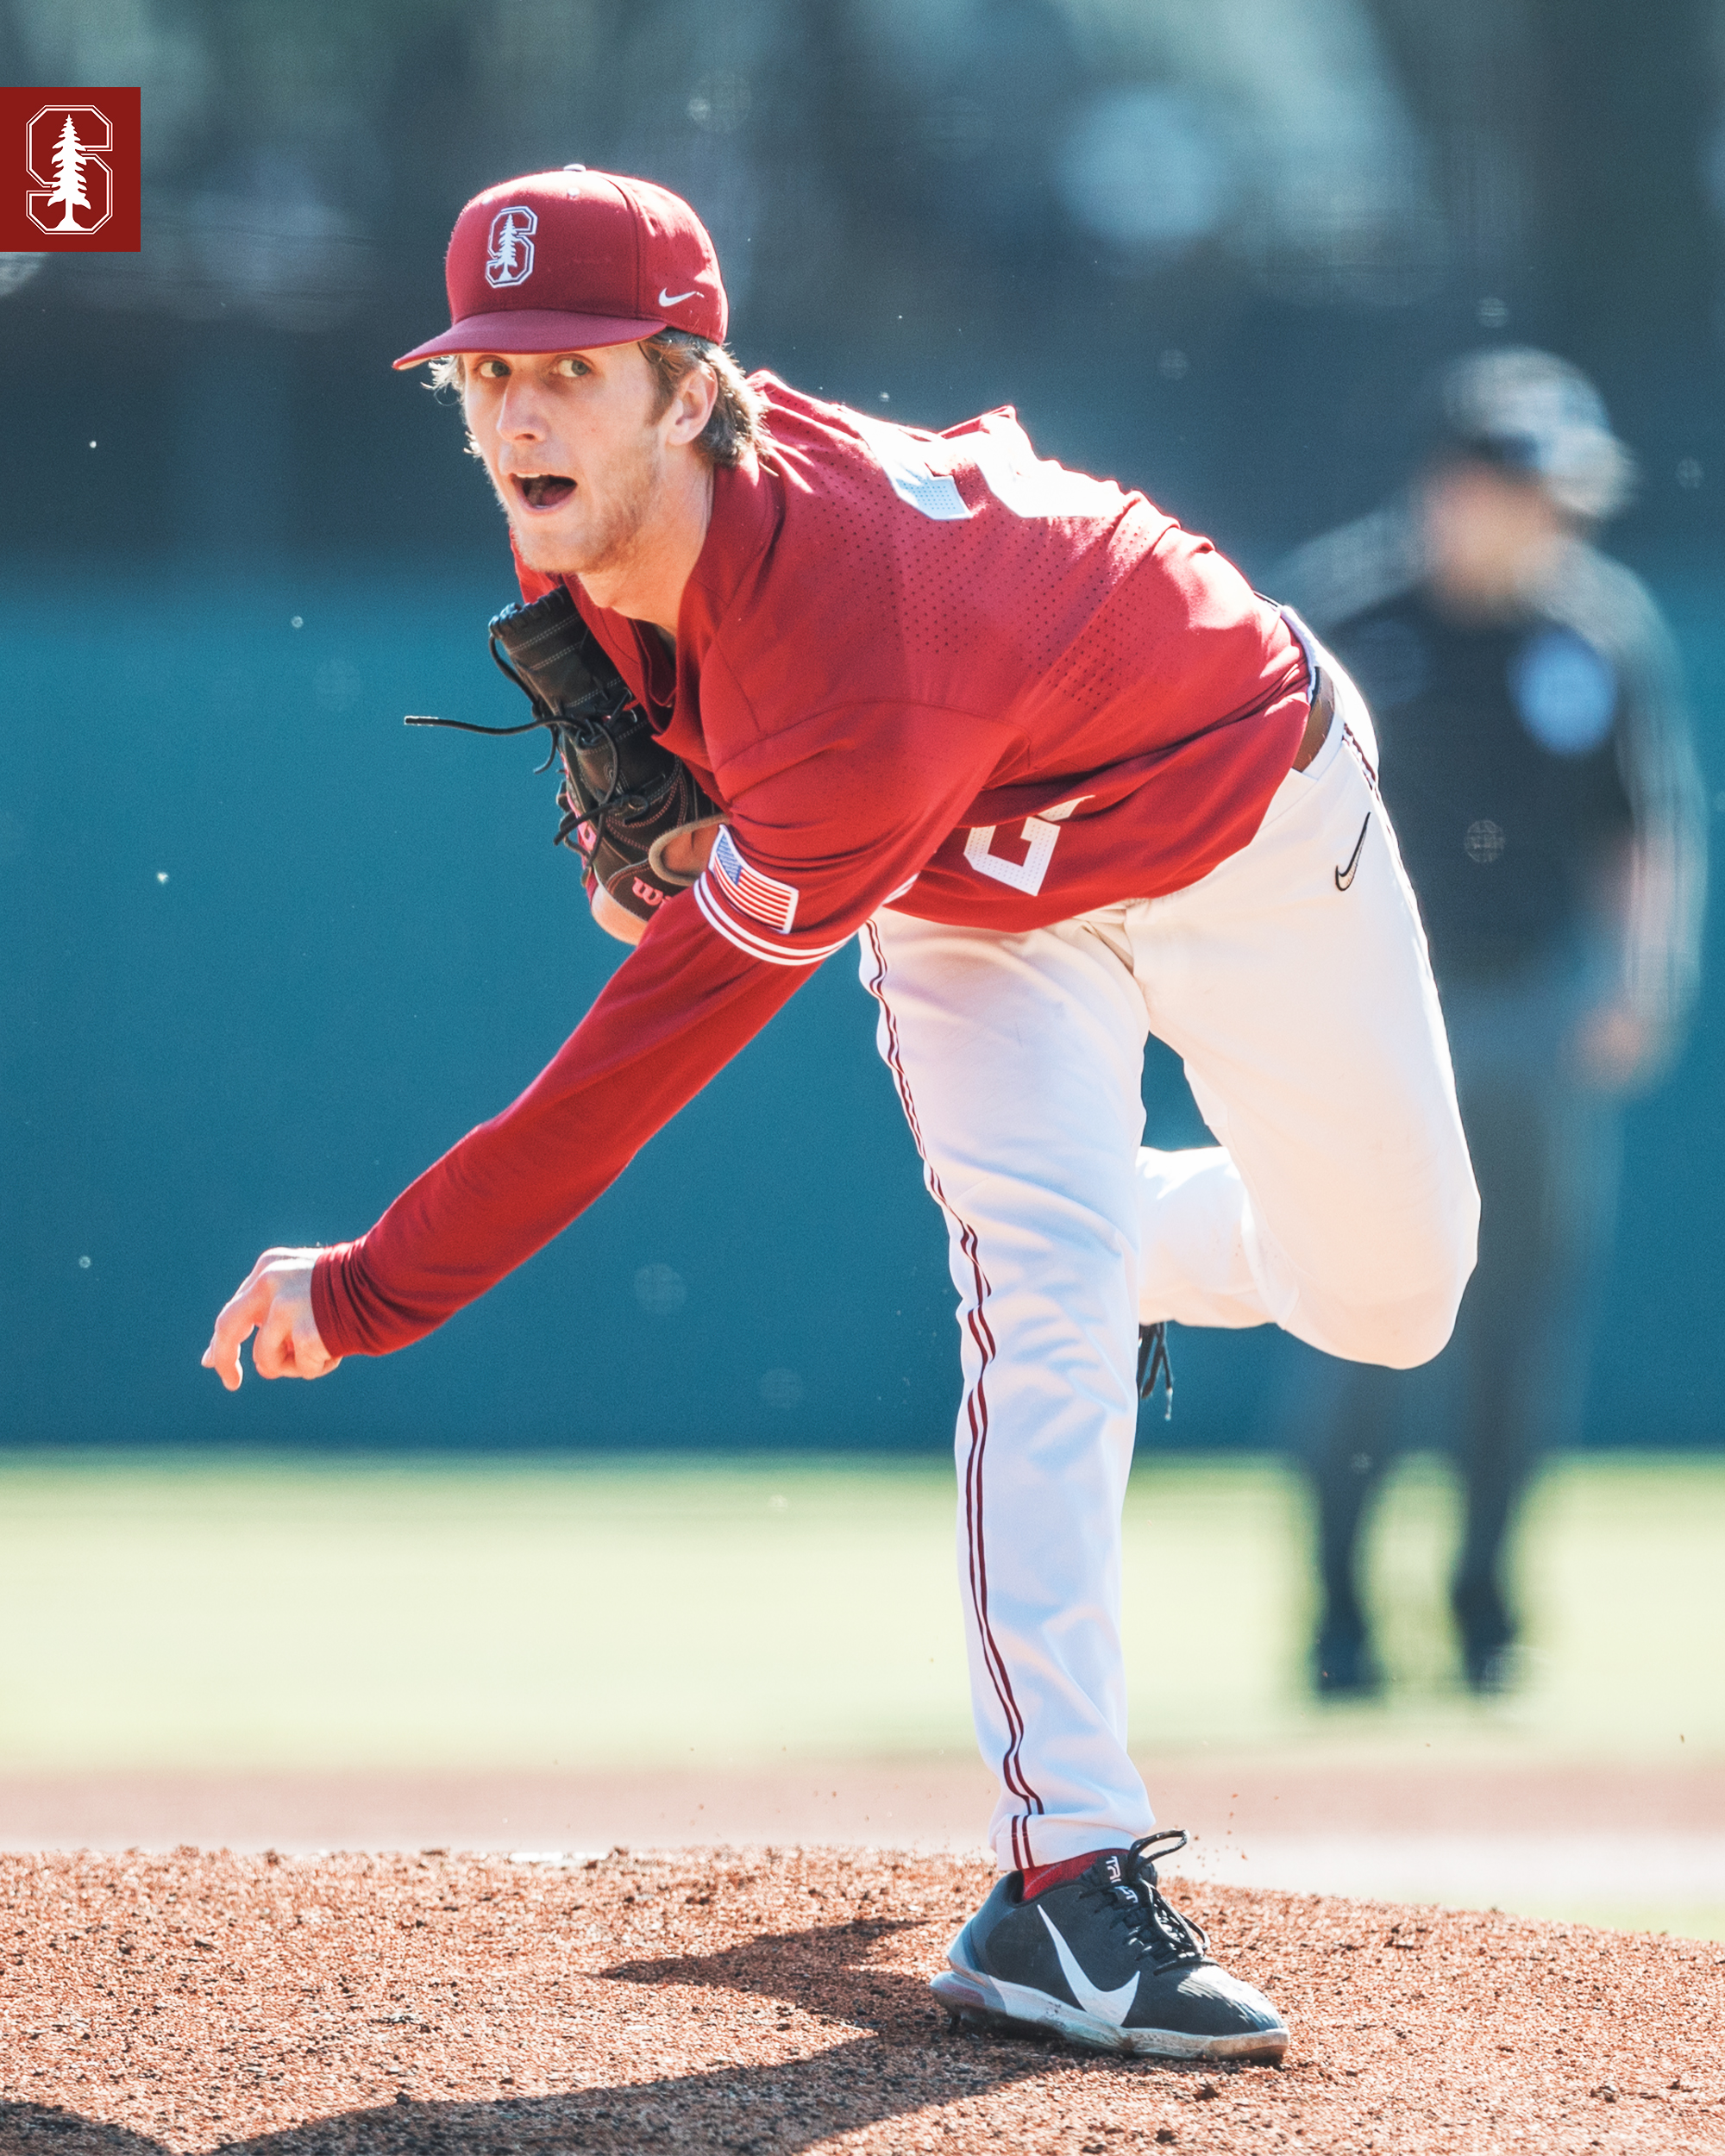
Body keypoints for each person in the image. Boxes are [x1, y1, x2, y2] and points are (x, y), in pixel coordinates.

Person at [203, 168, 1479, 2059]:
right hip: (963, 895)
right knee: (1030, 1295)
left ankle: (1110, 1244)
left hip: (1238, 812)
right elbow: (707, 809)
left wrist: (375, 1282)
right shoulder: (601, 543)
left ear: (691, 386)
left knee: (1392, 1295)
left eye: (570, 368)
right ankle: (1068, 1882)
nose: (519, 415)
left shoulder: (856, 644)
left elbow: (629, 1065)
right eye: (484, 374)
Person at [1278, 348, 1707, 1697]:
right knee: (1362, 1320)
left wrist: (1645, 982)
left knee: (1519, 1328)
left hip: (1528, 1011)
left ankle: (1484, 1615)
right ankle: (1341, 1624)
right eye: (1527, 490)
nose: (1551, 520)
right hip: (1370, 1024)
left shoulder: (1592, 626)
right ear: (1455, 487)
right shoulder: (1347, 611)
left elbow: (1645, 828)